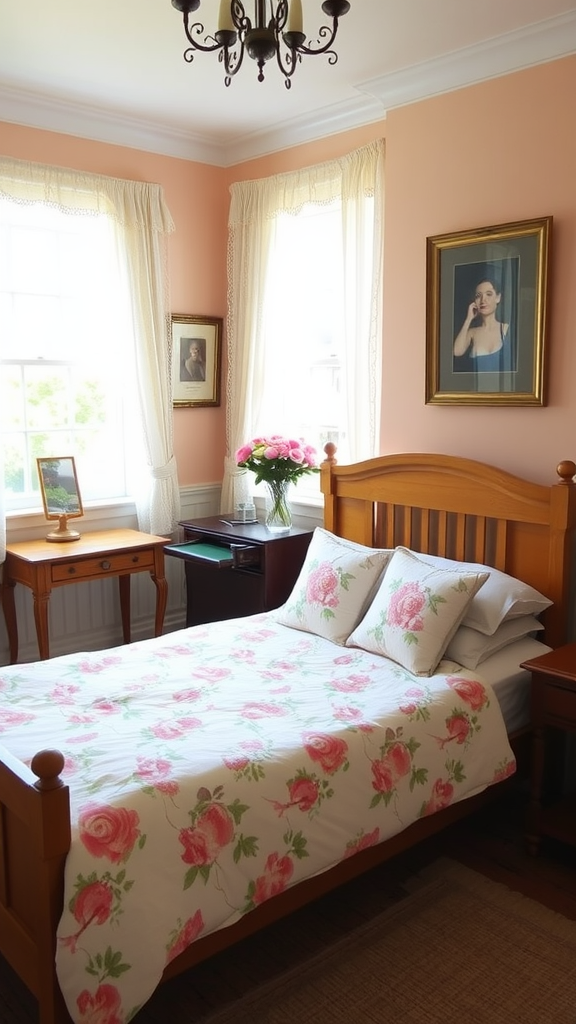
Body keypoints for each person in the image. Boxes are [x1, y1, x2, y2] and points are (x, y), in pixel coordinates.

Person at [453, 274, 514, 373]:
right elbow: (457, 351)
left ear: (498, 298)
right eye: (478, 296)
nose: (483, 300)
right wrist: (468, 319)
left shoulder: (506, 329)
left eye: (489, 294)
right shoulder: (471, 333)